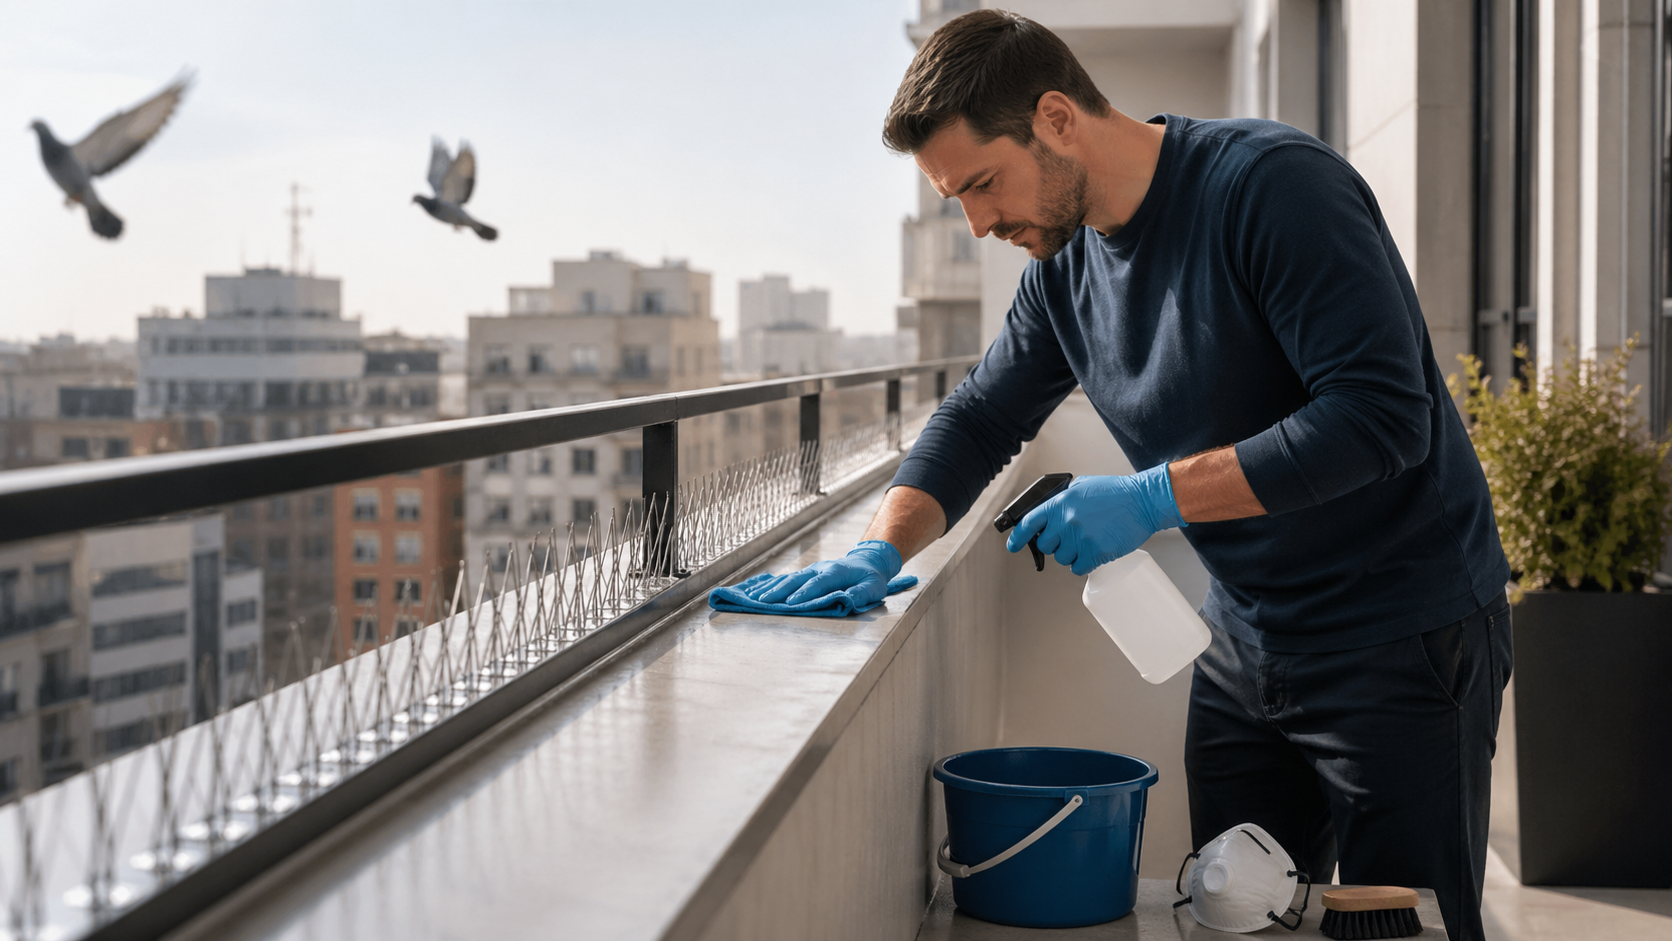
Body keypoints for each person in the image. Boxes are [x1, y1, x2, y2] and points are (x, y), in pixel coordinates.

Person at [728, 10, 1513, 940]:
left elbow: (1380, 419)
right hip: (1246, 639)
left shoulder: (1272, 189)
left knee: (1397, 927)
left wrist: (1151, 499)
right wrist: (877, 547)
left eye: (982, 185)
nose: (979, 224)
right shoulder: (1065, 269)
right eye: (958, 202)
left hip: (1399, 636)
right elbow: (981, 413)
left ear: (1056, 118)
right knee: (1232, 912)